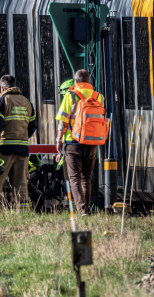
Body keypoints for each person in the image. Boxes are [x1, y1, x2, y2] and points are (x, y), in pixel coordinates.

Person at [0, 75, 37, 212]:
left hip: (4, 148)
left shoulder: (1, 101)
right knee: (21, 184)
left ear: (2, 87)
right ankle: (22, 212)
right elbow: (33, 126)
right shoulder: (27, 102)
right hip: (22, 149)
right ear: (15, 84)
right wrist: (23, 137)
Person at [55, 69, 105, 215]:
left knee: (75, 178)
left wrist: (59, 140)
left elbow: (63, 121)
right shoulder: (98, 96)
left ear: (75, 82)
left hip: (73, 142)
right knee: (86, 178)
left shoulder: (70, 95)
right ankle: (86, 208)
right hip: (92, 142)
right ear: (89, 81)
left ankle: (82, 210)